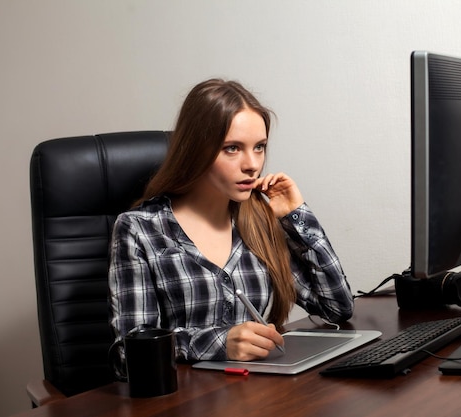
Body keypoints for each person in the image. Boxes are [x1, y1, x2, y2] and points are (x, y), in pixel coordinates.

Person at [108, 79, 354, 362]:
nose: (252, 164)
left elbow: (337, 307)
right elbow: (130, 353)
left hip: (262, 393)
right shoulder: (140, 229)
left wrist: (296, 215)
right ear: (195, 150)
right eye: (232, 148)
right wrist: (220, 343)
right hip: (186, 402)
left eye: (259, 147)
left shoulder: (259, 220)